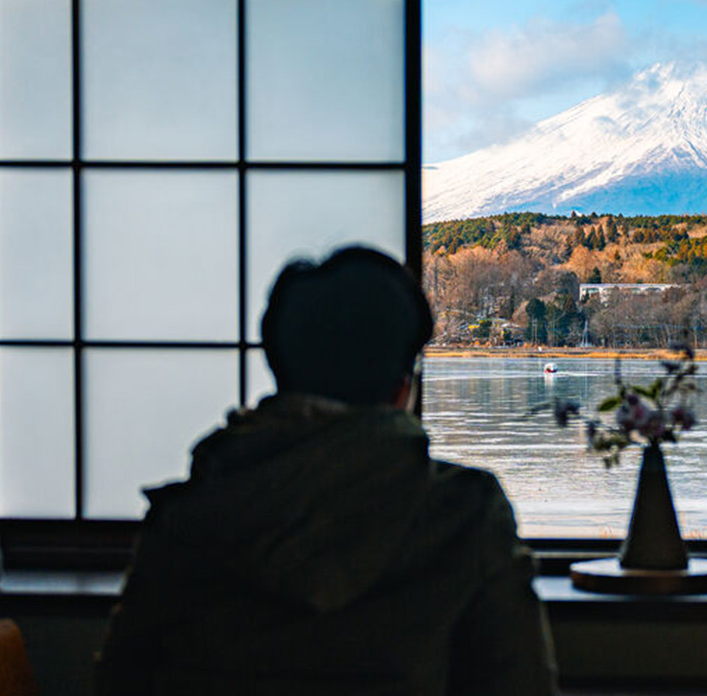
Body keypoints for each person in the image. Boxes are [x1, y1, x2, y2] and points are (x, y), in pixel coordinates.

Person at [93, 246, 558, 696]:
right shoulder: (464, 515)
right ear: (403, 389)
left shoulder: (187, 517)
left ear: (281, 369)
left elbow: (118, 681)